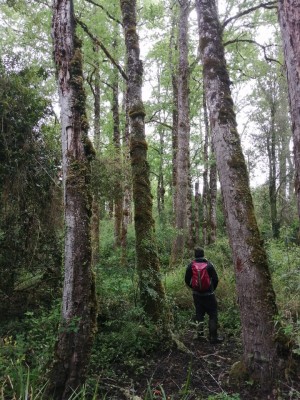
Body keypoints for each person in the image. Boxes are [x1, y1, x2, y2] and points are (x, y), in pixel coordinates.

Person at [185, 247, 223, 344]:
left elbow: (186, 279)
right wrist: (211, 289)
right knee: (213, 314)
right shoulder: (209, 265)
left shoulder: (191, 265)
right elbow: (215, 279)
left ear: (195, 255)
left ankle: (200, 335)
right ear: (203, 254)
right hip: (209, 294)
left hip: (196, 295)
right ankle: (213, 337)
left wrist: (194, 288)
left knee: (199, 314)